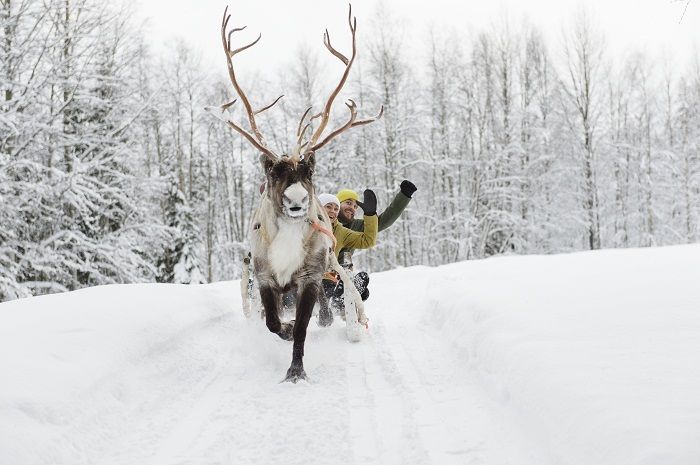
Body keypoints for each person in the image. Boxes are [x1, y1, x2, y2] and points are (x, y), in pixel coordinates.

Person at [333, 180, 417, 301]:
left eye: (355, 206)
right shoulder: (325, 221)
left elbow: (383, 221)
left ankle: (341, 299)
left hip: (341, 274)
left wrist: (404, 196)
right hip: (320, 272)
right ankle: (341, 293)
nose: (352, 208)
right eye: (348, 203)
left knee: (362, 289)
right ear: (337, 204)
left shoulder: (356, 226)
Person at [317, 191, 378, 326]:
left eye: (336, 208)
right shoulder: (306, 226)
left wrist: (370, 215)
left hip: (329, 279)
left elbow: (367, 240)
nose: (332, 211)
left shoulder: (340, 231)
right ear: (319, 207)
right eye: (328, 207)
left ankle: (338, 303)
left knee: (361, 278)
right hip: (306, 279)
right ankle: (329, 307)